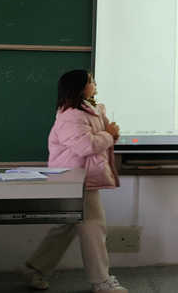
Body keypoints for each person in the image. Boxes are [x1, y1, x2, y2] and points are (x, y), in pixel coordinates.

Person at [18, 69, 128, 293]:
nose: (94, 84)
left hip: (81, 177)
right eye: (90, 81)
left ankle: (34, 269)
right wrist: (108, 134)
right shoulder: (72, 115)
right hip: (75, 178)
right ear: (80, 87)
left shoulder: (90, 110)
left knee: (68, 225)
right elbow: (86, 146)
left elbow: (100, 138)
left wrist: (111, 133)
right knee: (94, 226)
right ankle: (101, 280)